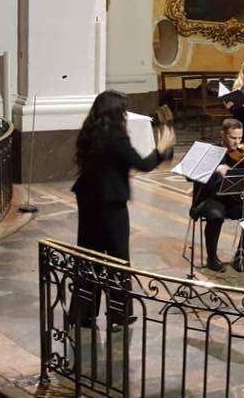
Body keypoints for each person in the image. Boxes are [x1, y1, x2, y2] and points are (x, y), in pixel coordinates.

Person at [69, 90, 176, 329]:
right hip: (111, 204)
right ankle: (118, 316)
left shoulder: (90, 133)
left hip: (88, 199)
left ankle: (83, 314)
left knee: (89, 256)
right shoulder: (116, 139)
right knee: (118, 258)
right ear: (116, 113)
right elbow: (144, 164)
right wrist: (163, 149)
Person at [191, 119, 244, 273]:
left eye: (239, 138)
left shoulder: (242, 154)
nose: (237, 143)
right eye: (233, 138)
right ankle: (212, 257)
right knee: (215, 216)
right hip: (211, 197)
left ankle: (240, 255)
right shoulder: (211, 151)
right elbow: (191, 175)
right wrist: (215, 169)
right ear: (223, 134)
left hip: (233, 198)